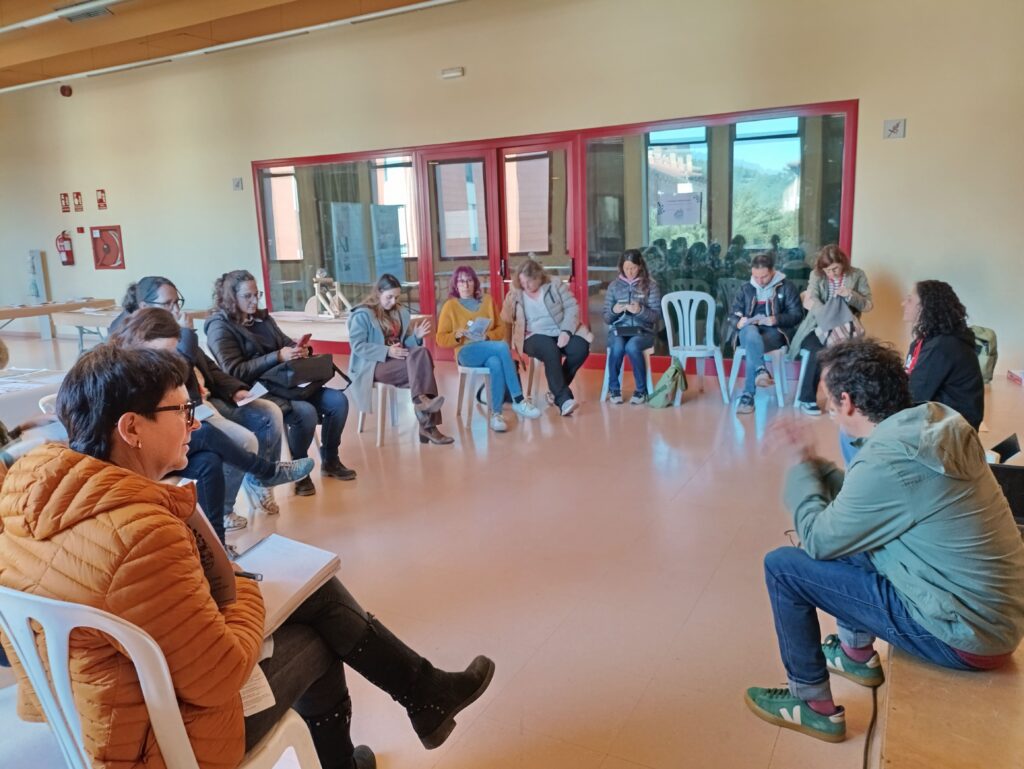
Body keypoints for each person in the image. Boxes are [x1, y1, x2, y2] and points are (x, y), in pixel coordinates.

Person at [0, 343, 495, 769]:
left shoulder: (29, 492)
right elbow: (218, 677)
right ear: (131, 428)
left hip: (87, 713)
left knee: (317, 594)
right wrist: (244, 585)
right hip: (158, 742)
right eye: (182, 411)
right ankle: (398, 717)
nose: (193, 423)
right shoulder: (140, 533)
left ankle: (423, 696)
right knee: (321, 636)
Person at [745, 339, 1024, 743]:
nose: (829, 410)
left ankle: (811, 705)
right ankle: (856, 654)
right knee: (858, 538)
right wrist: (815, 465)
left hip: (966, 636)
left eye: (828, 402)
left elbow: (819, 540)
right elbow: (868, 506)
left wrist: (800, 463)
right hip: (996, 619)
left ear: (847, 401)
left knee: (783, 568)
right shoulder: (931, 423)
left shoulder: (889, 459)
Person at [111, 308, 314, 543]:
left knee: (209, 461)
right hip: (144, 448)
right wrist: (188, 336)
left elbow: (205, 378)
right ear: (140, 339)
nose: (169, 361)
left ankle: (217, 544)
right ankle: (267, 472)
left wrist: (232, 389)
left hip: (186, 420)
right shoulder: (124, 371)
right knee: (207, 432)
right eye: (165, 353)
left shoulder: (155, 361)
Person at [113, 275, 287, 518]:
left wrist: (235, 389)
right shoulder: (143, 345)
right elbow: (177, 379)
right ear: (144, 306)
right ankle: (255, 482)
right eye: (168, 303)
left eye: (177, 302)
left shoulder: (261, 320)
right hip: (183, 413)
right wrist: (186, 335)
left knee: (268, 415)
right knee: (227, 439)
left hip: (204, 403)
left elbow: (212, 369)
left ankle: (254, 491)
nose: (176, 309)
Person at [206, 270, 357, 493]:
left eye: (257, 294)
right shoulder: (219, 327)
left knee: (338, 402)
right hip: (257, 391)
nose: (254, 301)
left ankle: (330, 459)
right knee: (305, 412)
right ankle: (299, 469)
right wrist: (277, 356)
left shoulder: (262, 318)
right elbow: (234, 371)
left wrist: (299, 349)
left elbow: (284, 342)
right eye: (248, 296)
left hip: (287, 382)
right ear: (231, 297)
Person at [348, 274, 453, 445]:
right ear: (378, 292)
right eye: (389, 297)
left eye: (396, 297)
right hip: (373, 365)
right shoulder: (362, 315)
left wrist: (416, 336)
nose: (393, 301)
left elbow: (404, 344)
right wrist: (387, 351)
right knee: (422, 370)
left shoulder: (400, 312)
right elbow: (357, 346)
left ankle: (423, 403)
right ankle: (428, 423)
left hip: (398, 360)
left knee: (422, 353)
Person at [436, 266, 541, 432]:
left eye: (469, 280)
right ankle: (519, 399)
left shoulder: (487, 301)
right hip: (466, 352)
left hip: (487, 347)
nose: (465, 285)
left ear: (475, 282)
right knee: (502, 347)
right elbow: (440, 339)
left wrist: (487, 336)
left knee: (495, 362)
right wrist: (457, 335)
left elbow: (500, 330)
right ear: (455, 284)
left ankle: (496, 415)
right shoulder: (450, 306)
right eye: (461, 281)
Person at [500, 258, 592, 417]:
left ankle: (555, 390)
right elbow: (506, 320)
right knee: (550, 350)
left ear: (538, 277)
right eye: (522, 282)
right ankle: (564, 400)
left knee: (580, 348)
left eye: (529, 282)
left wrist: (566, 331)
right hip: (532, 336)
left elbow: (572, 307)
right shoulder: (514, 293)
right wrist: (506, 347)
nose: (525, 286)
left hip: (559, 330)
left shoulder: (554, 284)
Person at [788, 245, 873, 415]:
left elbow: (868, 305)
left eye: (835, 269)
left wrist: (850, 295)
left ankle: (840, 401)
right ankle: (807, 398)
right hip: (817, 325)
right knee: (815, 349)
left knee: (844, 354)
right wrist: (828, 315)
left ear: (843, 263)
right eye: (827, 271)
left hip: (844, 328)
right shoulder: (816, 275)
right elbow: (812, 298)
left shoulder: (857, 275)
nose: (832, 274)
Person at [903, 280, 984, 430]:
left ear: (924, 306)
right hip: (941, 423)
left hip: (951, 433)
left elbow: (914, 395)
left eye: (909, 300)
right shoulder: (927, 342)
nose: (903, 304)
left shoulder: (943, 346)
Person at [729, 252, 803, 414]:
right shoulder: (746, 288)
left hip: (775, 332)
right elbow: (733, 315)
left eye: (764, 277)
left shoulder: (786, 287)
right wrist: (738, 322)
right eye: (756, 277)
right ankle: (761, 370)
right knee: (751, 333)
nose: (759, 281)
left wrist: (775, 319)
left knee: (752, 346)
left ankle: (748, 396)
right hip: (749, 331)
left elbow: (797, 315)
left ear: (773, 271)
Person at [602, 249, 661, 404]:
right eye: (626, 268)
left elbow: (656, 316)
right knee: (617, 347)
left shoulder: (650, 286)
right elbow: (607, 318)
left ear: (640, 266)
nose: (629, 272)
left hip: (643, 331)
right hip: (619, 329)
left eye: (633, 268)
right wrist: (614, 311)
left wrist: (640, 311)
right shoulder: (614, 286)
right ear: (621, 267)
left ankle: (641, 390)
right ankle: (614, 388)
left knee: (632, 347)